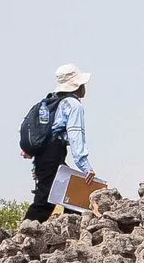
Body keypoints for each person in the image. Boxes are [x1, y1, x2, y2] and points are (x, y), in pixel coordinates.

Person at [23, 65, 92, 222]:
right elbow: (76, 135)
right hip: (54, 153)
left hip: (46, 156)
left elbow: (42, 135)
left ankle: (71, 228)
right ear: (77, 86)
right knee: (44, 201)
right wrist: (86, 167)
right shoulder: (73, 105)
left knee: (72, 194)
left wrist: (36, 166)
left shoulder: (50, 103)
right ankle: (24, 236)